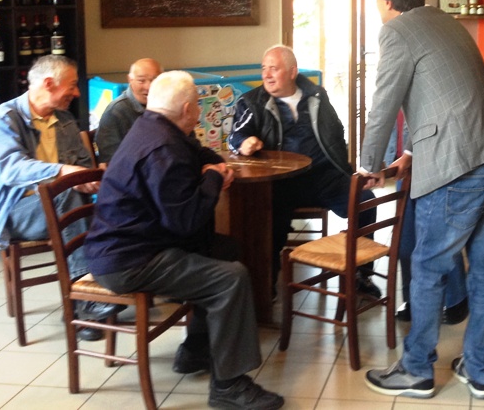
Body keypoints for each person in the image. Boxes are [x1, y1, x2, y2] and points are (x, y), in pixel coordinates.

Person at [84, 71, 284, 410]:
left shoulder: (152, 126)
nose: (200, 112)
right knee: (230, 277)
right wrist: (212, 179)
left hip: (131, 244)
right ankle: (229, 386)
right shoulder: (163, 148)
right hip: (129, 260)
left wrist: (215, 165)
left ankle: (196, 349)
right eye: (198, 107)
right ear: (189, 109)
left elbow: (197, 152)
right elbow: (185, 222)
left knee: (226, 250)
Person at [361, 0, 484, 400]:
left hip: (454, 166)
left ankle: (417, 370)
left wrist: (369, 164)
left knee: (427, 267)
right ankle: (477, 368)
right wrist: (409, 151)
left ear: (385, 1)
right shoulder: (447, 21)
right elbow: (440, 96)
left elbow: (384, 103)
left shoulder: (396, 32)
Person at [227, 45, 380, 298]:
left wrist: (349, 172)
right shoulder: (252, 102)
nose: (266, 75)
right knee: (270, 220)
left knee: (365, 202)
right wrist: (244, 144)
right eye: (264, 69)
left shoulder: (317, 96)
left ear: (292, 72)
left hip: (323, 176)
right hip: (282, 181)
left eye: (273, 69)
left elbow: (335, 133)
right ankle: (267, 283)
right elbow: (235, 136)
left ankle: (361, 275)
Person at [0, 55, 112, 341]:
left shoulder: (64, 120)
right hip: (11, 211)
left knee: (110, 203)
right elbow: (12, 169)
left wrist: (89, 179)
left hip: (60, 205)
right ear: (49, 84)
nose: (76, 93)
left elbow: (81, 164)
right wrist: (64, 172)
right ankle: (84, 298)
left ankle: (113, 281)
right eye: (72, 86)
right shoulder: (4, 118)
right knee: (66, 196)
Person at [386, 116, 469, 325]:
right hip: (404, 172)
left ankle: (455, 299)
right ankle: (412, 300)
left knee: (440, 237)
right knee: (405, 242)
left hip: (435, 168)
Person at [95, 57, 163, 165]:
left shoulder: (167, 105)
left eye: (155, 80)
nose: (149, 86)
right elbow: (111, 160)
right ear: (130, 80)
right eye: (141, 81)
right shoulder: (116, 111)